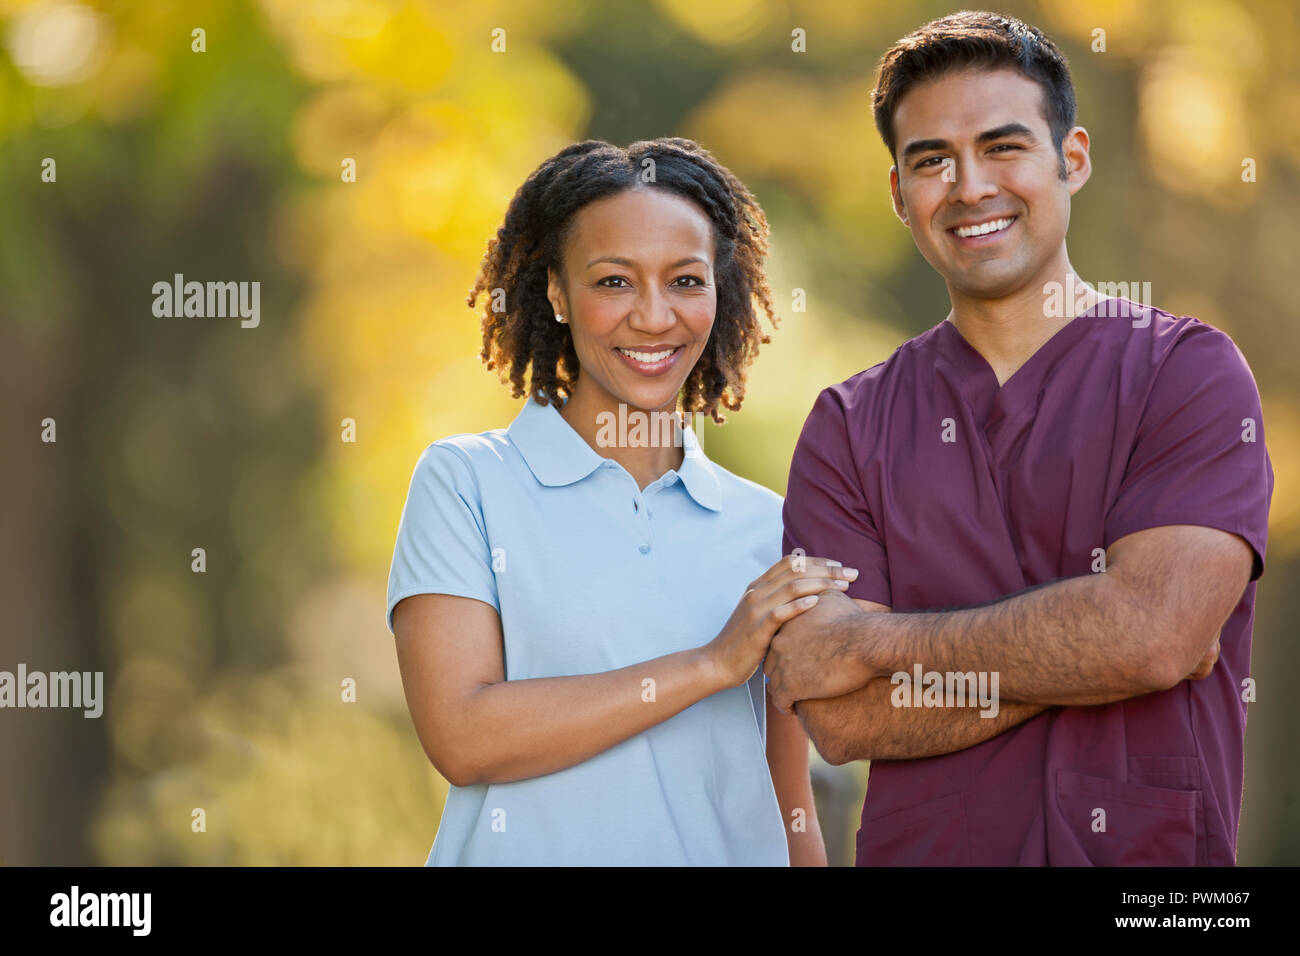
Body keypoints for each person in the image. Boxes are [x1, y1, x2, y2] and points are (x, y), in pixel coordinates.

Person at [768, 11, 1273, 866]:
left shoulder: (1188, 376)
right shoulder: (848, 429)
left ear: (1070, 160)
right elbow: (842, 716)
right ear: (899, 194)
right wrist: (1109, 645)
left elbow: (1157, 637)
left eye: (1003, 147)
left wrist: (872, 644)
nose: (969, 187)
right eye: (932, 160)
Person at [386, 137, 844, 865]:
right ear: (557, 294)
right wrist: (711, 665)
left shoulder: (768, 524)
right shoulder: (467, 484)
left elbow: (789, 803)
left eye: (686, 281)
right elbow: (464, 738)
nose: (655, 317)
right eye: (614, 283)